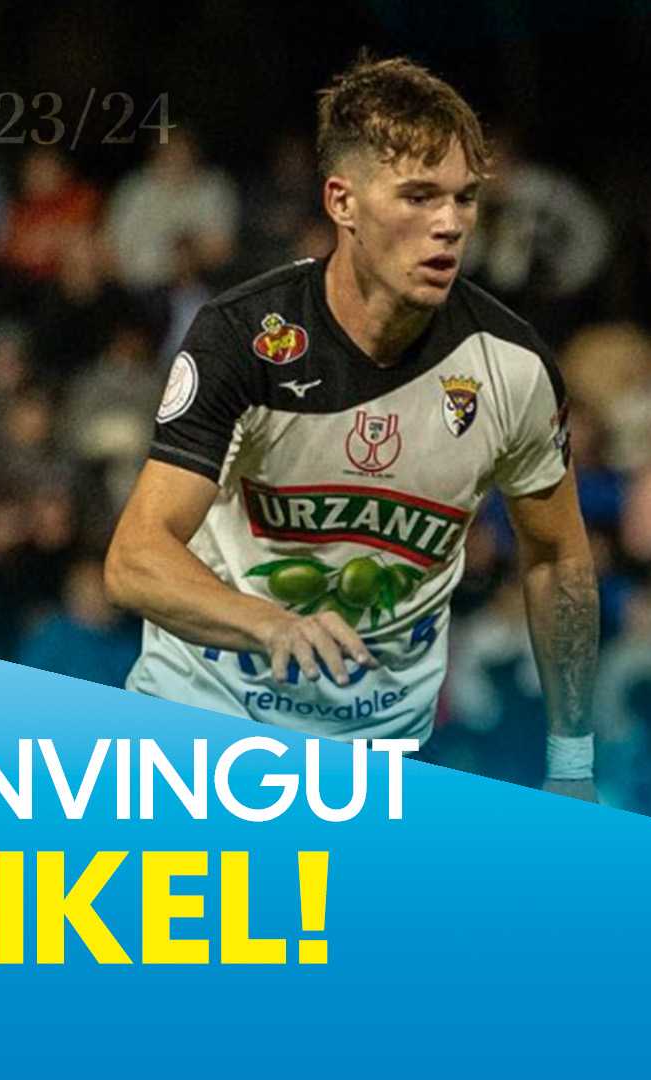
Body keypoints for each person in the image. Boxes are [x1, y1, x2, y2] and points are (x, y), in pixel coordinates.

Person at [104, 56, 598, 799]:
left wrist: (573, 762)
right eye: (419, 196)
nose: (450, 224)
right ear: (343, 202)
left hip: (373, 763)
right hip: (200, 726)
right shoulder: (245, 338)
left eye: (465, 199)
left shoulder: (512, 368)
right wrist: (269, 624)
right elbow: (135, 558)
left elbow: (558, 558)